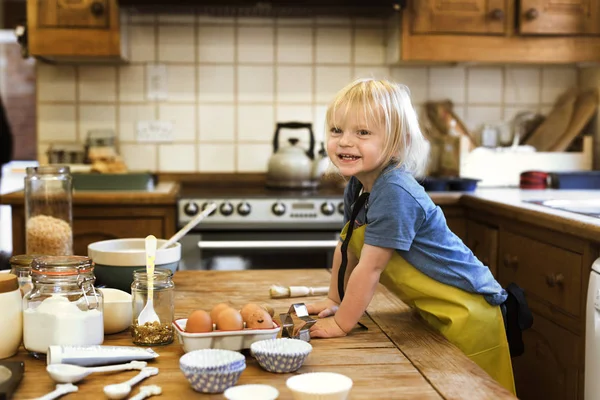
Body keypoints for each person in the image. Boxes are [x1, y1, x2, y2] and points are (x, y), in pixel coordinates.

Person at [306, 78, 515, 394]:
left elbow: (371, 267)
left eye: (362, 132)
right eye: (337, 131)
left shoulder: (394, 192)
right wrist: (334, 299)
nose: (345, 142)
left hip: (470, 314)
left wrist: (340, 323)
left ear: (397, 143)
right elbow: (347, 247)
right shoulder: (358, 185)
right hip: (434, 311)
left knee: (472, 392)